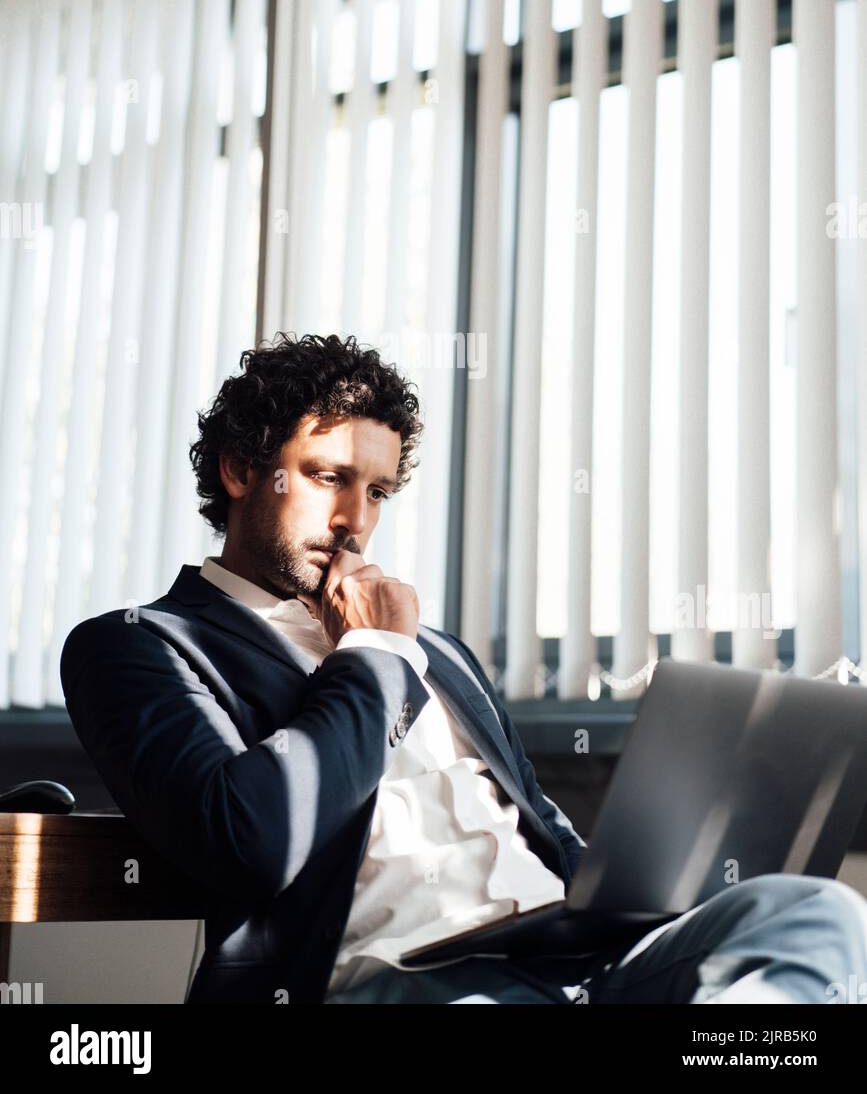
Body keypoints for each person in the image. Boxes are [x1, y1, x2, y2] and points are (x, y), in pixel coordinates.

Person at [60, 332, 867, 1004]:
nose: (354, 520)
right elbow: (251, 840)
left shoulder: (439, 651)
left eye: (376, 491)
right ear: (241, 471)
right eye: (327, 477)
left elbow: (543, 833)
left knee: (817, 915)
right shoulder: (141, 646)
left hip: (568, 962)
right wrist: (374, 653)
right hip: (399, 982)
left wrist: (642, 896)